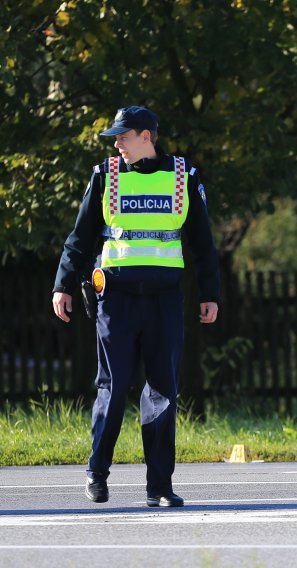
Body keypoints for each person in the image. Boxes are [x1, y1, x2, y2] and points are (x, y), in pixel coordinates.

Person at [52, 106, 220, 506]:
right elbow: (80, 238)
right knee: (112, 388)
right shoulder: (106, 176)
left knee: (163, 391)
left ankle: (159, 487)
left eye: (123, 135)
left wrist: (210, 293)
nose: (117, 143)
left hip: (164, 300)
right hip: (116, 300)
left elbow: (202, 242)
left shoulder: (184, 176)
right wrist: (63, 286)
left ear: (147, 136)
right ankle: (97, 473)